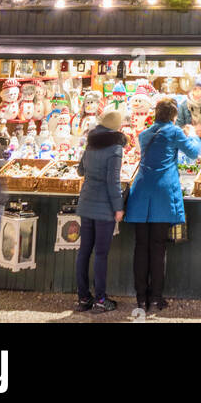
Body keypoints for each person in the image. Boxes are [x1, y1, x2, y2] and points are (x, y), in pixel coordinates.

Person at [125, 97, 201, 317]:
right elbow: (193, 152)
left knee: (141, 247)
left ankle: (141, 299)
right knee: (158, 247)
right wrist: (193, 135)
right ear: (174, 115)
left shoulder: (144, 133)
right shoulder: (174, 131)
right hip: (161, 193)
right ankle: (156, 298)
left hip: (140, 193)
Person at [75, 107, 125, 313]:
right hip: (104, 207)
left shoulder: (91, 144)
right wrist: (118, 207)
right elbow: (113, 182)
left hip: (86, 202)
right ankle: (101, 300)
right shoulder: (115, 149)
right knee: (101, 254)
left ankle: (83, 298)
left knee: (84, 251)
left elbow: (80, 170)